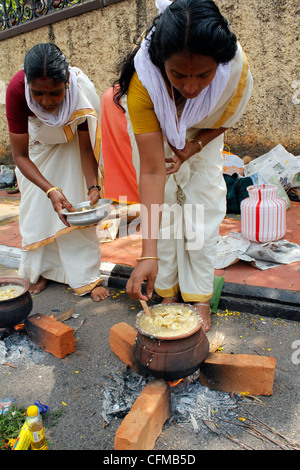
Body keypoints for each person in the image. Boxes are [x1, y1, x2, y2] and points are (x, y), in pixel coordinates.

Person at [107, 0, 253, 331]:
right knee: (167, 207)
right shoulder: (143, 85)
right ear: (161, 65)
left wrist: (194, 146)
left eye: (203, 74)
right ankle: (168, 292)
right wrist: (147, 255)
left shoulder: (234, 70)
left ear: (220, 63)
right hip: (156, 131)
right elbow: (153, 172)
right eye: (177, 74)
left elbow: (226, 116)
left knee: (201, 208)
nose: (190, 87)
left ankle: (199, 296)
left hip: (202, 133)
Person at [5, 43, 109, 301]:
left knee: (75, 210)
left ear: (67, 84)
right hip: (36, 154)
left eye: (55, 92)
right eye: (38, 94)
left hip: (72, 148)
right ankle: (40, 271)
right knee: (36, 214)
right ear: (28, 85)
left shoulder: (80, 91)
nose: (46, 101)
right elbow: (20, 156)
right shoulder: (16, 90)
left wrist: (93, 186)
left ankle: (86, 277)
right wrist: (50, 189)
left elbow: (86, 149)